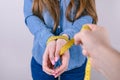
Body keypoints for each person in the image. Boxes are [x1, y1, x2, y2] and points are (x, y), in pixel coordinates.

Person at [24, 0, 98, 80]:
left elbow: (87, 15)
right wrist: (48, 38)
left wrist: (66, 37)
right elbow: (30, 15)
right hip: (42, 59)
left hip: (75, 61)